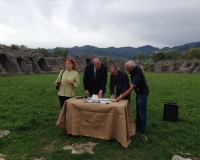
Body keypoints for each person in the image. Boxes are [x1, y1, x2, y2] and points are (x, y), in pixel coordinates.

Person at [116, 60, 149, 135]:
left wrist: (120, 96)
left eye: (127, 69)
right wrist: (142, 68)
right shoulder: (136, 68)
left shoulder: (137, 75)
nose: (126, 70)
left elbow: (131, 89)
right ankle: (137, 126)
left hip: (143, 93)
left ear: (132, 68)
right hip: (139, 93)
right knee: (138, 110)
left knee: (142, 112)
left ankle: (141, 130)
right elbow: (140, 67)